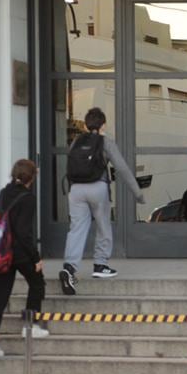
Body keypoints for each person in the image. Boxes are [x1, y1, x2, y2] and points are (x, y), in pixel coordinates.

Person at [59, 107, 146, 296]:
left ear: (86, 124)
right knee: (103, 225)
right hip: (97, 187)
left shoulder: (76, 141)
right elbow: (122, 168)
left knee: (76, 229)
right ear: (103, 124)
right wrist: (137, 194)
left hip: (76, 190)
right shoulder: (105, 142)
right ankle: (100, 265)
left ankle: (69, 268)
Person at [0, 159, 48, 357]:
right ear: (32, 178)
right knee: (37, 283)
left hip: (1, 251)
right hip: (19, 253)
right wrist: (36, 258)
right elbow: (24, 232)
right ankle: (30, 325)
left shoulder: (3, 193)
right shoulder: (27, 198)